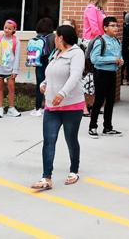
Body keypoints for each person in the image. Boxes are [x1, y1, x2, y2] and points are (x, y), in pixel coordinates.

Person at [31, 24, 85, 191]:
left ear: (61, 38)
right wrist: (44, 84)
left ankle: (74, 170)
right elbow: (50, 74)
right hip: (51, 106)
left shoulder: (76, 53)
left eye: (56, 36)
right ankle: (46, 177)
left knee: (71, 139)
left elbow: (75, 76)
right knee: (49, 140)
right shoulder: (56, 53)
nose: (54, 39)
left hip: (71, 105)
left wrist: (62, 93)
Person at [87, 16, 123, 138]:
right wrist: (113, 59)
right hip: (101, 73)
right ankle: (92, 126)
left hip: (112, 73)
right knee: (99, 100)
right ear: (105, 28)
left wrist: (120, 60)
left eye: (116, 25)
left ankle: (108, 127)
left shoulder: (117, 41)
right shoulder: (100, 41)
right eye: (112, 26)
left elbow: (119, 55)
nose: (115, 28)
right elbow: (95, 59)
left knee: (110, 101)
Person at [0, 19, 21, 118]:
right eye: (5, 28)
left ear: (14, 30)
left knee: (11, 89)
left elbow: (17, 57)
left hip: (10, 70)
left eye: (9, 29)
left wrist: (15, 70)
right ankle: (0, 108)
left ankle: (11, 108)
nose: (7, 30)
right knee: (0, 88)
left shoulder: (16, 41)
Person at [30, 17, 56, 116]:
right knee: (51, 84)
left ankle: (38, 108)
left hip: (39, 63)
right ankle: (49, 106)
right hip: (50, 63)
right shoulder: (53, 37)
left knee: (40, 85)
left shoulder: (37, 37)